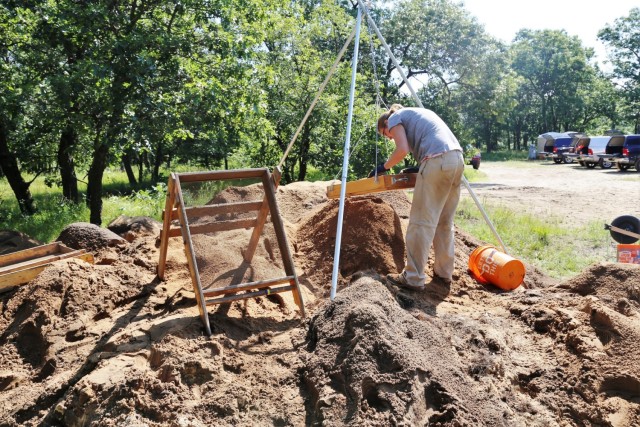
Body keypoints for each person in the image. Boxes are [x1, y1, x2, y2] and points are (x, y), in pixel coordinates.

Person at [369, 104, 464, 290]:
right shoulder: (419, 113)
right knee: (444, 223)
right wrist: (421, 166)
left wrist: (383, 167)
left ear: (387, 123)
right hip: (456, 159)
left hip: (437, 161)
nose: (389, 137)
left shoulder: (395, 117)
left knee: (421, 223)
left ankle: (413, 278)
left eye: (386, 133)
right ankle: (444, 274)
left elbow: (402, 149)